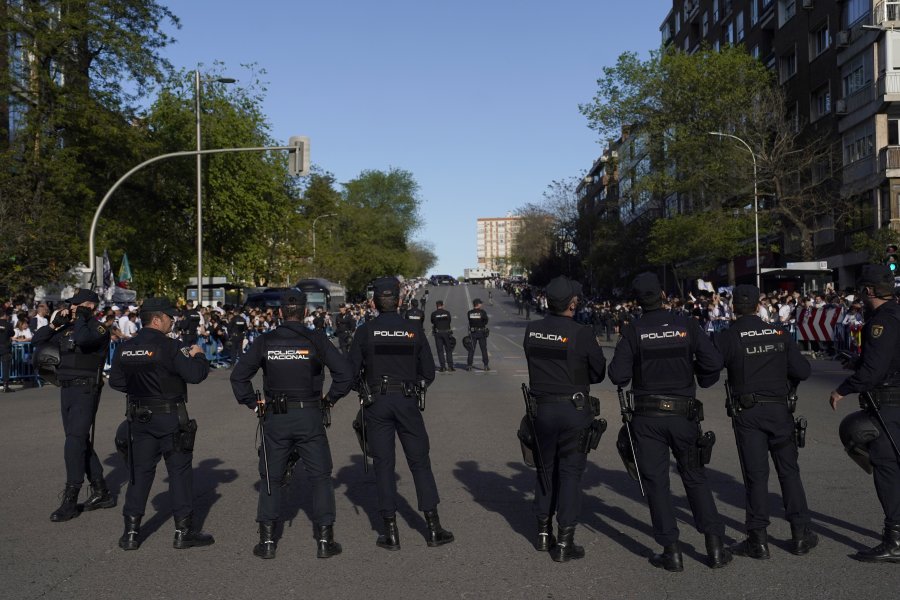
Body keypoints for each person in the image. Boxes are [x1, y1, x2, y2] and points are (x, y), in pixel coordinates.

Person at [608, 272, 731, 571]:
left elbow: (617, 376)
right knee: (695, 477)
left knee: (657, 484)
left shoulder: (634, 331)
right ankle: (714, 547)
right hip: (683, 414)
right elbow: (714, 363)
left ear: (638, 301)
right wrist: (693, 371)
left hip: (648, 417)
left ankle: (671, 551)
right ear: (663, 295)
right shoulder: (686, 324)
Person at [230, 290, 353, 559]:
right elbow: (345, 373)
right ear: (305, 311)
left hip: (276, 416)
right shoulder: (317, 339)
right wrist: (330, 400)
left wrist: (252, 403)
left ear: (280, 312)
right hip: (309, 414)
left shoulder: (266, 340)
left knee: (271, 478)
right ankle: (324, 540)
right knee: (320, 476)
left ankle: (267, 542)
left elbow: (239, 376)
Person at [349, 276, 453, 550]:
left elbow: (349, 375)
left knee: (383, 466)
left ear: (373, 302)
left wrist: (365, 389)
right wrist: (413, 385)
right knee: (420, 462)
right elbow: (429, 372)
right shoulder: (413, 330)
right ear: (399, 300)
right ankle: (433, 528)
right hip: (407, 400)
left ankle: (390, 532)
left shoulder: (365, 331)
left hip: (377, 402)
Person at [714, 284, 817, 559]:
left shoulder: (729, 336)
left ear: (734, 307)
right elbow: (803, 371)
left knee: (756, 476)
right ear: (759, 304)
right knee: (789, 472)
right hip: (779, 411)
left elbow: (709, 368)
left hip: (747, 413)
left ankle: (758, 539)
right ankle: (800, 534)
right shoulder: (779, 333)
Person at [108, 297, 213, 551]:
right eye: (168, 316)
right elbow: (195, 375)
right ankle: (183, 531)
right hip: (169, 416)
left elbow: (116, 382)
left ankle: (131, 533)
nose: (172, 320)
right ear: (157, 319)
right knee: (179, 472)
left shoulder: (126, 347)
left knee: (139, 473)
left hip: (139, 416)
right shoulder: (169, 346)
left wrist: (140, 388)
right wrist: (199, 356)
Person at [523, 276, 606, 561]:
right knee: (570, 474)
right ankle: (564, 543)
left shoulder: (532, 330)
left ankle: (543, 534)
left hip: (541, 411)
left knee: (545, 470)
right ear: (572, 303)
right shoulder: (582, 332)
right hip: (573, 411)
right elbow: (598, 373)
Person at [830, 264, 900, 563]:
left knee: (885, 468)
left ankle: (894, 539)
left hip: (889, 403)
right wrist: (857, 362)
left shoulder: (881, 322)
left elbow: (875, 370)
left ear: (869, 290)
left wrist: (843, 389)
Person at [31, 290, 114, 521]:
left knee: (74, 440)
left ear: (90, 305)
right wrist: (54, 325)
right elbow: (37, 343)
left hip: (86, 388)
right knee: (78, 440)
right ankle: (102, 491)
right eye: (73, 304)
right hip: (67, 388)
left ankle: (71, 498)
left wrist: (85, 318)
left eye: (78, 304)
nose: (73, 308)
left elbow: (84, 340)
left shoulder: (97, 328)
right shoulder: (68, 327)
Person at [430, 300, 454, 372]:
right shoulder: (447, 313)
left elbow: (432, 321)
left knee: (440, 350)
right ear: (442, 305)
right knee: (448, 350)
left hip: (438, 333)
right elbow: (449, 321)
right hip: (446, 332)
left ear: (436, 306)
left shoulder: (434, 313)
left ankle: (443, 367)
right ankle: (450, 366)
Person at [466, 298, 489, 371]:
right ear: (478, 304)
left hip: (473, 333)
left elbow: (470, 321)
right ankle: (486, 365)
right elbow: (486, 321)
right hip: (481, 332)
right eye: (480, 303)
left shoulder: (469, 313)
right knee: (483, 349)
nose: (481, 304)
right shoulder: (483, 312)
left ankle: (469, 365)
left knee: (471, 349)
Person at [1, 308, 13, 393]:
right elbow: (12, 333)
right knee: (5, 367)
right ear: (4, 315)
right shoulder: (8, 324)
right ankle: (6, 386)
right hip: (5, 348)